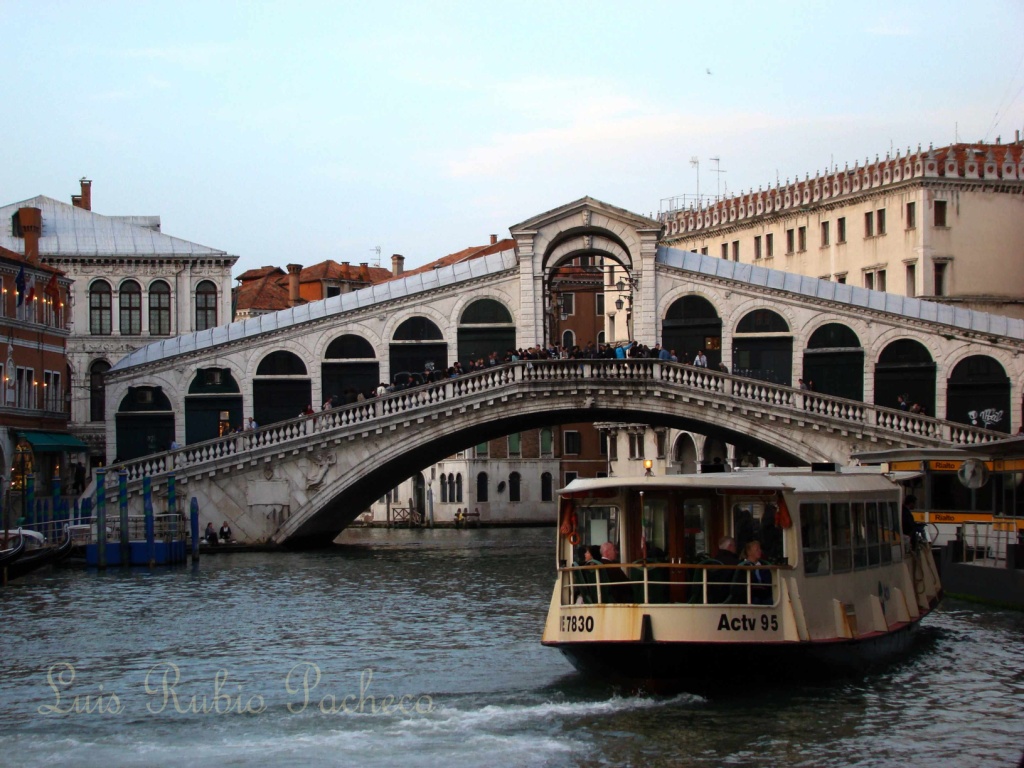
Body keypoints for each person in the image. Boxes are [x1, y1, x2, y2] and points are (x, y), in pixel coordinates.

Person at [736, 540, 772, 605]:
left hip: (764, 594)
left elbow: (768, 581)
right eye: (757, 549)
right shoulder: (742, 566)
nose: (760, 551)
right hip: (749, 595)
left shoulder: (764, 565)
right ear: (749, 552)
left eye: (760, 549)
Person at [707, 536, 739, 603]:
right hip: (730, 597)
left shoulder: (713, 561)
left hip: (711, 597)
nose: (736, 548)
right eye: (734, 546)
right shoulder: (735, 562)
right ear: (730, 546)